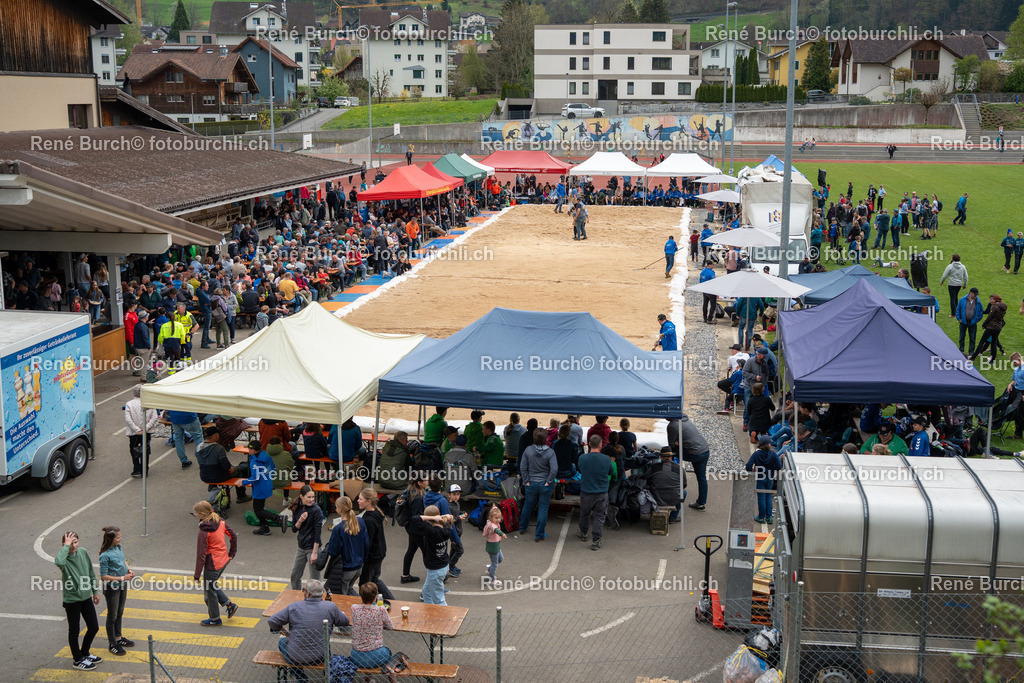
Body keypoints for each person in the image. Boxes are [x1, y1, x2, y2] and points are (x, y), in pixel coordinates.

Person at [268, 579, 348, 671]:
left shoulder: (294, 607)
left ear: (308, 594)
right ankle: (326, 673)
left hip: (295, 657)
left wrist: (286, 633)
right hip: (319, 657)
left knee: (282, 642)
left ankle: (299, 675)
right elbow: (345, 621)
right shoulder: (330, 607)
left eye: (304, 590)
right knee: (325, 641)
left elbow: (272, 621)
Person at [57, 531, 101, 670]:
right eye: (70, 543)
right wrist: (66, 546)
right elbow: (58, 561)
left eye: (75, 542)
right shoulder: (64, 560)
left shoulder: (83, 552)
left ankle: (84, 652)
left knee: (94, 627)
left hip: (86, 597)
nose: (73, 545)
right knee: (74, 631)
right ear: (64, 544)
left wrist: (95, 591)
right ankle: (77, 659)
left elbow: (90, 572)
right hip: (72, 601)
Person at [191, 500, 238, 626]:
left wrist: (196, 575)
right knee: (211, 585)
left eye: (195, 513)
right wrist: (232, 554)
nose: (194, 514)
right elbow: (233, 535)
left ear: (202, 514)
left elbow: (201, 555)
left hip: (213, 564)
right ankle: (229, 605)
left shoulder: (204, 531)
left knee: (209, 593)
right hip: (223, 560)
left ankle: (215, 619)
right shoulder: (219, 521)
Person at [315, 496, 369, 596]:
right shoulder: (360, 522)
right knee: (349, 590)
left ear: (340, 509)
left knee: (342, 597)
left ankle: (362, 607)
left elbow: (333, 551)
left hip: (346, 568)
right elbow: (366, 544)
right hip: (358, 567)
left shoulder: (338, 529)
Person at [98, 526, 135, 656]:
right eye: (118, 537)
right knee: (112, 616)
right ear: (111, 539)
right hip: (112, 588)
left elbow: (123, 560)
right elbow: (103, 576)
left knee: (119, 613)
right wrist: (122, 577)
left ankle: (118, 638)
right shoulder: (104, 555)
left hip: (122, 585)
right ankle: (112, 643)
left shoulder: (119, 547)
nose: (120, 538)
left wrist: (128, 569)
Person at [518, 428, 558, 542]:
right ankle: (539, 535)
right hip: (544, 484)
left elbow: (522, 467)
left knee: (527, 506)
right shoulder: (550, 452)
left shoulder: (528, 450)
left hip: (531, 483)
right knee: (543, 509)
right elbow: (554, 469)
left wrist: (526, 480)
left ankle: (522, 528)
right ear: (546, 438)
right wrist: (549, 481)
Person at [410, 506, 454, 605]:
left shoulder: (431, 531)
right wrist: (440, 516)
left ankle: (447, 618)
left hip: (435, 570)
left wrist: (432, 517)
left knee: (439, 599)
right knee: (426, 592)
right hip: (443, 565)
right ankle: (428, 611)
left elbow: (415, 519)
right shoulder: (446, 528)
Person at [576, 435, 613, 551]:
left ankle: (583, 532)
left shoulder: (582, 458)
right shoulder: (606, 459)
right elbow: (610, 471)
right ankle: (596, 540)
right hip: (601, 493)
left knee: (584, 514)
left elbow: (580, 469)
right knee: (599, 517)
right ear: (601, 445)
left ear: (589, 444)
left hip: (586, 492)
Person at [357, 488, 395, 602]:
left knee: (365, 584)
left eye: (360, 499)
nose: (358, 501)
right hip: (379, 552)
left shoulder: (368, 520)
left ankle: (370, 603)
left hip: (372, 556)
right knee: (374, 579)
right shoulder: (376, 513)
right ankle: (391, 600)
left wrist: (363, 560)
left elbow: (367, 542)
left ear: (369, 501)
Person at [242, 439, 284, 536]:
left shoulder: (255, 462)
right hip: (266, 484)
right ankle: (265, 527)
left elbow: (255, 478)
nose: (248, 450)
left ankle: (277, 518)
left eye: (249, 449)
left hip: (259, 488)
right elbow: (272, 468)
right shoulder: (265, 456)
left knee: (258, 509)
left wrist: (243, 482)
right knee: (259, 508)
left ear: (254, 450)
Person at [667, 415, 710, 511]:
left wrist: (677, 443)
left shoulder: (672, 426)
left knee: (673, 453)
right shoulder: (684, 419)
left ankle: (671, 476)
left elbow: (671, 445)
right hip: (704, 450)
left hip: (695, 453)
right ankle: (701, 503)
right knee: (702, 478)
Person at [349, 582, 394, 670]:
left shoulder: (354, 608)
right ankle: (392, 679)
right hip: (375, 655)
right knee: (388, 652)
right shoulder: (380, 610)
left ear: (361, 596)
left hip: (356, 656)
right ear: (375, 597)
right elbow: (390, 626)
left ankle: (368, 678)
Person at [287, 485, 323, 590]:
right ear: (301, 496)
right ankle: (296, 596)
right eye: (309, 497)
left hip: (313, 548)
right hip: (301, 548)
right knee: (294, 575)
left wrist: (315, 553)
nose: (311, 500)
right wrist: (300, 520)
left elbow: (318, 532)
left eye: (313, 497)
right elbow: (294, 529)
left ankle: (316, 601)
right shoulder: (297, 508)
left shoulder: (316, 510)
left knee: (315, 580)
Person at [745, 436, 782, 523]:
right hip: (770, 478)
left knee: (761, 497)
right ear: (768, 444)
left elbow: (748, 466)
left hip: (760, 477)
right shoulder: (773, 454)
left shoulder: (756, 454)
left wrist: (753, 471)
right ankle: (769, 517)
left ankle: (761, 517)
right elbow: (778, 466)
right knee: (768, 496)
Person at [124, 385, 158, 478]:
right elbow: (154, 417)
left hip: (133, 432)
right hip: (146, 432)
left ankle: (136, 469)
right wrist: (145, 428)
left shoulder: (129, 404)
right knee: (145, 449)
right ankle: (145, 470)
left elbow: (128, 419)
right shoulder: (149, 403)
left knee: (133, 449)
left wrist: (137, 430)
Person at [400, 477, 428, 584]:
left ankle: (405, 575)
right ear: (419, 483)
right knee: (426, 551)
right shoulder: (418, 497)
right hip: (417, 529)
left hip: (410, 527)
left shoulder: (410, 491)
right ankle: (434, 576)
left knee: (411, 549)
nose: (428, 482)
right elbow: (418, 516)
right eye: (425, 480)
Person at [647, 447, 684, 523]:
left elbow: (647, 480)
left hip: (657, 498)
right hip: (673, 498)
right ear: (671, 457)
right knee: (684, 492)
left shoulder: (654, 467)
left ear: (661, 457)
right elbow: (684, 484)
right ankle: (673, 517)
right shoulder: (679, 468)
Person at [970, 294, 1007, 364]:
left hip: (991, 327)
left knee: (982, 342)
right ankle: (993, 360)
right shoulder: (1003, 308)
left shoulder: (995, 308)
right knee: (993, 343)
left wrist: (984, 325)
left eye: (992, 299)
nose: (991, 300)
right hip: (998, 328)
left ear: (996, 300)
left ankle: (972, 358)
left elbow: (989, 317)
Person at [482, 506, 507, 586]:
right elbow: (496, 530)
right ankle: (492, 579)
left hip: (496, 545)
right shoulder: (492, 525)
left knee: (500, 559)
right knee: (495, 563)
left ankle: (490, 570)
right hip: (493, 547)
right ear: (490, 517)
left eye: (499, 517)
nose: (498, 519)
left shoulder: (492, 523)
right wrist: (502, 534)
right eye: (496, 518)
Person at [955, 288, 983, 356]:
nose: (976, 296)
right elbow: (958, 310)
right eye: (975, 294)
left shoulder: (978, 301)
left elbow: (981, 312)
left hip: (972, 323)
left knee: (972, 338)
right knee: (961, 337)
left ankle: (971, 352)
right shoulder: (962, 300)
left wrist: (977, 320)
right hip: (963, 322)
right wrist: (959, 319)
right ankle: (961, 351)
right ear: (970, 293)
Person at [446, 484, 467, 577]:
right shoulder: (448, 506)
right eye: (454, 494)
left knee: (454, 550)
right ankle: (449, 567)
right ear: (449, 494)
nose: (456, 496)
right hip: (453, 532)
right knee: (460, 550)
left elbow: (457, 513)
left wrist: (462, 513)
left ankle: (451, 565)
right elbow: (450, 519)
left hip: (458, 531)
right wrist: (459, 517)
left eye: (458, 494)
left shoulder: (457, 504)